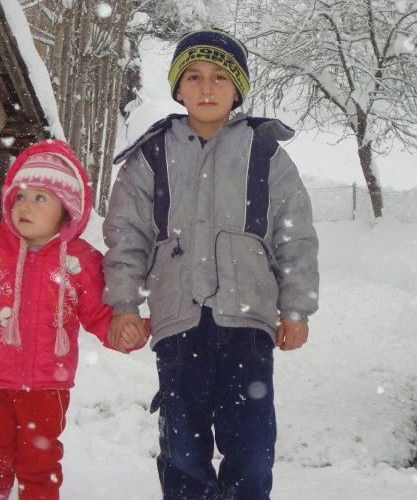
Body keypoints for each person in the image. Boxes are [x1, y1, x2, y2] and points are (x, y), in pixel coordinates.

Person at [103, 28, 320, 500]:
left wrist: (296, 309)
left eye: (220, 77)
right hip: (178, 325)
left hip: (248, 325)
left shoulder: (266, 154)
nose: (206, 88)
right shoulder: (151, 155)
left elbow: (296, 237)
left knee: (252, 449)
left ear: (238, 89)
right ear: (178, 89)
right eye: (194, 77)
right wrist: (124, 305)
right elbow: (126, 235)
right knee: (183, 450)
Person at [0, 139, 147, 500]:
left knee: (40, 459)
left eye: (40, 198)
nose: (25, 205)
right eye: (20, 196)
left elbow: (99, 312)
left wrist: (123, 332)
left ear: (66, 209)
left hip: (47, 385)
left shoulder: (80, 261)